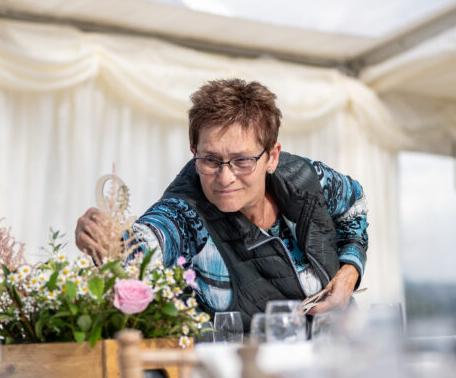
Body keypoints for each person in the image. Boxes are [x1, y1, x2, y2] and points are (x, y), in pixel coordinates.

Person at [76, 78, 367, 328]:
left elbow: (355, 206)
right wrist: (111, 241)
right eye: (211, 159)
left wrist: (348, 275)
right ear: (194, 152)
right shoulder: (185, 211)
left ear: (272, 156)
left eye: (242, 160)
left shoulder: (308, 179)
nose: (225, 177)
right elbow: (151, 239)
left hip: (342, 352)